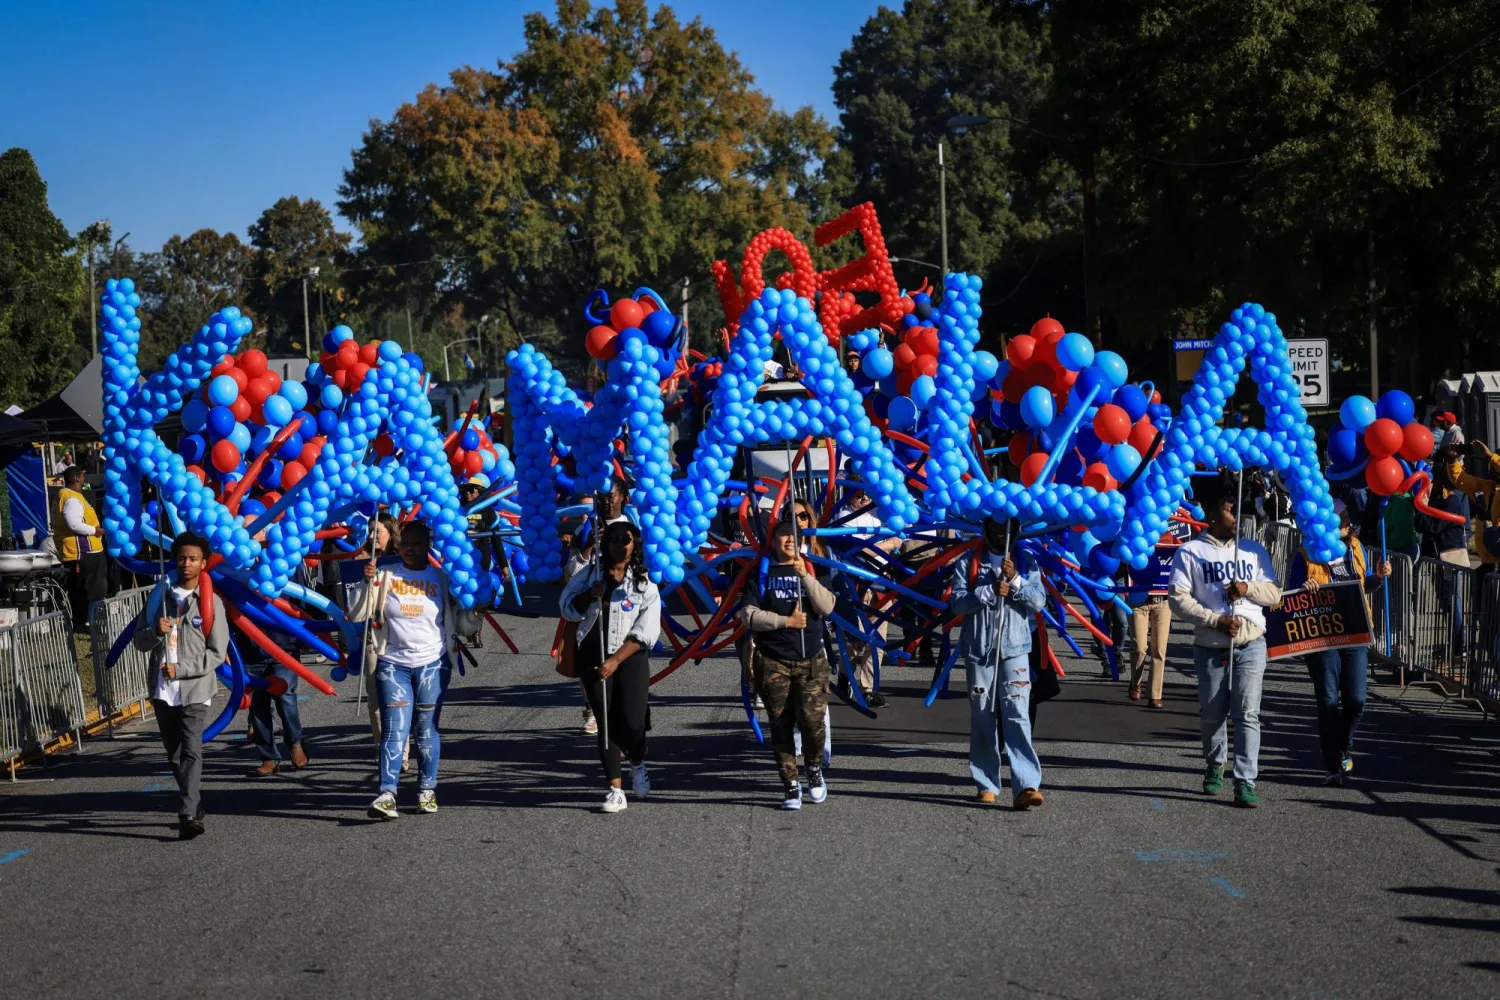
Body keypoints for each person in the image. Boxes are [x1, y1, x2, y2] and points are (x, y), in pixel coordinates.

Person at [350, 519, 479, 820]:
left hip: (433, 663)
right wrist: (365, 583)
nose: (410, 549)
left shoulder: (442, 579)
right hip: (393, 663)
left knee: (426, 729)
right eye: (405, 543)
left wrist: (477, 612)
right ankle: (387, 794)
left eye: (417, 543)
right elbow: (358, 614)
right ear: (398, 545)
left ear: (427, 547)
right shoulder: (384, 574)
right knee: (394, 730)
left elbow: (461, 625)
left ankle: (427, 790)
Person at [1168, 491, 1282, 808]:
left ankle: (1245, 780)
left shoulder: (1253, 551)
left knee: (1247, 712)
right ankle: (1215, 763)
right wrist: (1214, 620)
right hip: (1211, 644)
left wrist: (1247, 588)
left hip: (1251, 642)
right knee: (1212, 713)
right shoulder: (1190, 552)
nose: (1236, 517)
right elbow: (1177, 598)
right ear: (1216, 512)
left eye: (1239, 511)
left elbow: (1274, 593)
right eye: (1231, 510)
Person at [131, 532, 228, 840]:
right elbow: (139, 641)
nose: (187, 563)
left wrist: (183, 670)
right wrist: (155, 632)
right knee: (174, 754)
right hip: (162, 690)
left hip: (195, 688)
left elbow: (217, 652)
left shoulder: (211, 603)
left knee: (191, 750)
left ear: (203, 563)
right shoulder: (160, 598)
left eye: (193, 558)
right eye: (182, 558)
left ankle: (187, 813)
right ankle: (194, 801)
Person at [559, 521, 661, 814]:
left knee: (632, 723)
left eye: (625, 540)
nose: (619, 544)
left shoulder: (644, 584)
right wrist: (591, 594)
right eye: (613, 539)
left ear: (634, 544)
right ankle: (615, 790)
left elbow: (647, 631)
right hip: (592, 657)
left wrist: (615, 660)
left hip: (628, 659)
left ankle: (638, 763)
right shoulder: (590, 575)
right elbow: (566, 606)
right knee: (606, 726)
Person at [1285, 500, 1390, 785]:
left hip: (1355, 630)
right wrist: (1303, 589)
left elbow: (1360, 585)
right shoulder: (1307, 553)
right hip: (1322, 634)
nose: (1347, 523)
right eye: (1341, 518)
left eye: (1346, 517)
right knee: (1329, 701)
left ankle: (1344, 742)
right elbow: (1290, 596)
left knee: (1356, 699)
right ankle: (1333, 765)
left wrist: (1377, 578)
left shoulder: (1356, 547)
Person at [950, 518, 1048, 810]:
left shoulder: (1026, 560)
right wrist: (988, 592)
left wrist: (1016, 580)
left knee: (1017, 715)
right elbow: (957, 604)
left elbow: (1038, 601)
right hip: (979, 650)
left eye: (1006, 529)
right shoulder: (968, 562)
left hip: (1015, 649)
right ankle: (986, 782)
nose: (1000, 534)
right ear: (986, 528)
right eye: (995, 528)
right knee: (982, 716)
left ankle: (1026, 785)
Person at [742, 518, 838, 810]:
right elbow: (748, 615)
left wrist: (806, 578)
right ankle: (790, 783)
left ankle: (814, 769)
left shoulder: (812, 567)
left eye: (794, 536)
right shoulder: (760, 572)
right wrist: (786, 621)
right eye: (783, 535)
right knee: (781, 724)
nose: (789, 541)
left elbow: (828, 606)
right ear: (774, 540)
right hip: (774, 659)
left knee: (812, 722)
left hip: (811, 659)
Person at [563, 481, 634, 735]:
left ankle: (623, 719)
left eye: (611, 496)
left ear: (622, 497)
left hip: (624, 609)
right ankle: (592, 711)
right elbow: (572, 571)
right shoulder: (585, 529)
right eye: (601, 497)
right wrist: (591, 544)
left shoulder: (633, 528)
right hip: (592, 611)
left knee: (623, 667)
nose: (606, 502)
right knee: (591, 666)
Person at [243, 619, 309, 777]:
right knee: (257, 705)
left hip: (283, 648)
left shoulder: (283, 593)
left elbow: (298, 609)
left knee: (285, 697)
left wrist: (305, 637)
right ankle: (269, 756)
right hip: (249, 652)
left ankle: (295, 743)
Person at [56, 466, 107, 632]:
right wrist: (94, 530)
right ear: (77, 478)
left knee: (86, 587)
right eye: (83, 477)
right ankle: (88, 622)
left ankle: (85, 621)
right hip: (84, 551)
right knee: (92, 588)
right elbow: (74, 524)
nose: (84, 481)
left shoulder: (71, 497)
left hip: (87, 550)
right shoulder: (72, 499)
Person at [1454, 440, 1500, 571]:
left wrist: (1491, 456)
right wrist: (1452, 460)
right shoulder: (1486, 487)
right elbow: (1461, 480)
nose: (1492, 470)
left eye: (1495, 466)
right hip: (1486, 561)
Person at [1422, 449, 1472, 565]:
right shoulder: (1440, 492)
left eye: (1434, 464)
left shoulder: (1453, 496)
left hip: (1450, 552)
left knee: (1452, 583)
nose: (1433, 481)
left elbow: (1434, 525)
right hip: (1438, 551)